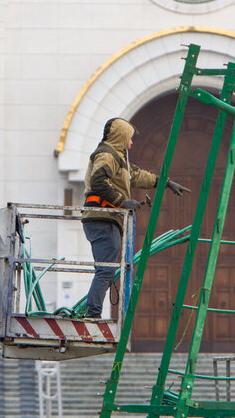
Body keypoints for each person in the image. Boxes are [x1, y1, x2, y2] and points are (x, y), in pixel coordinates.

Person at [81, 117, 190, 319]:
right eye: (129, 138)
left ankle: (92, 312)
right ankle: (92, 314)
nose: (131, 143)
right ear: (121, 137)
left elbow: (138, 176)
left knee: (106, 269)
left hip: (105, 219)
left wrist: (165, 183)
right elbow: (98, 181)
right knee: (106, 269)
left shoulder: (118, 159)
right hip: (102, 218)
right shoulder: (107, 155)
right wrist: (122, 201)